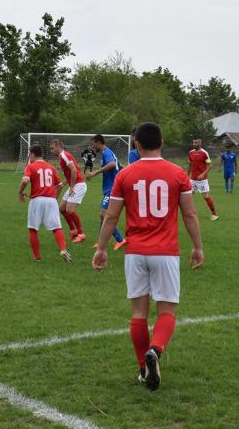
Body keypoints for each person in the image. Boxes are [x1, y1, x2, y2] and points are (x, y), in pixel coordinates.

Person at [92, 122, 204, 391]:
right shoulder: (178, 173)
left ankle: (144, 369)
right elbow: (189, 214)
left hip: (135, 253)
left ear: (137, 145)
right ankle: (156, 349)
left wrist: (101, 248)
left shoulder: (125, 175)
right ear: (162, 143)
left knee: (139, 312)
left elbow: (111, 217)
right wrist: (198, 247)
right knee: (166, 310)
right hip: (165, 252)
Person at [19, 144, 73, 263]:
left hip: (37, 200)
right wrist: (55, 195)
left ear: (32, 154)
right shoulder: (50, 167)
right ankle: (63, 249)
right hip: (51, 200)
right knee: (57, 227)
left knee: (33, 229)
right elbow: (59, 184)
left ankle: (37, 258)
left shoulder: (31, 166)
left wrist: (20, 192)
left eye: (30, 155)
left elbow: (25, 180)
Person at [86, 134, 126, 251]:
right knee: (102, 214)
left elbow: (112, 164)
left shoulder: (106, 152)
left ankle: (120, 240)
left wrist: (95, 172)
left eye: (93, 144)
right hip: (111, 188)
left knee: (104, 214)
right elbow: (118, 164)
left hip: (112, 189)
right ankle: (101, 242)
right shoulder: (107, 152)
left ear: (99, 143)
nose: (92, 147)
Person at [50, 139, 87, 243]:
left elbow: (74, 170)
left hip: (78, 185)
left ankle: (81, 234)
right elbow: (70, 173)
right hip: (74, 184)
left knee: (70, 210)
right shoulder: (61, 156)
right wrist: (62, 184)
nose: (51, 150)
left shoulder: (64, 155)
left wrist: (71, 187)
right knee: (62, 208)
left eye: (52, 148)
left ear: (58, 146)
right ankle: (73, 230)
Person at [188, 138, 219, 221]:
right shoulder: (190, 153)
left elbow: (210, 165)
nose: (194, 144)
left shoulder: (204, 153)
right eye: (193, 142)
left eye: (196, 143)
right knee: (187, 196)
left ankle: (214, 214)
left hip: (202, 180)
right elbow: (190, 165)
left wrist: (203, 174)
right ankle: (189, 213)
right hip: (192, 179)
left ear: (200, 143)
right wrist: (187, 176)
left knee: (206, 196)